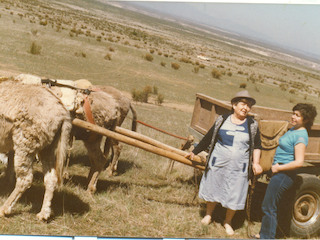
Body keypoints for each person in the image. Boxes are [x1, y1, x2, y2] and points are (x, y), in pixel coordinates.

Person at [186, 90, 263, 236]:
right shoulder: (222, 119)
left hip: (239, 167)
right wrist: (194, 152)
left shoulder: (252, 125)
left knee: (235, 192)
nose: (246, 108)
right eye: (243, 104)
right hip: (218, 162)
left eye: (249, 106)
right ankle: (209, 215)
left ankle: (227, 222)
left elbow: (257, 146)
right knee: (214, 186)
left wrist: (256, 163)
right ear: (234, 105)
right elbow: (209, 138)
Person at [256, 103, 317, 239]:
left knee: (268, 206)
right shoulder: (293, 129)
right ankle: (264, 234)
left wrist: (278, 168)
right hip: (280, 172)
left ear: (306, 120)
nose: (293, 117)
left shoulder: (301, 136)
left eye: (297, 115)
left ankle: (267, 237)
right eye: (293, 113)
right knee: (270, 205)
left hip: (284, 174)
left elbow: (299, 162)